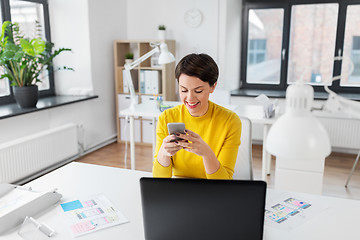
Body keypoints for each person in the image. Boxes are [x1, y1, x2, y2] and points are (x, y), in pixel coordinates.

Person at [153, 53, 241, 179]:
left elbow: (223, 183)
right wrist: (164, 153)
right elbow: (159, 180)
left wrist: (206, 153)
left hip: (211, 191)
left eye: (198, 91)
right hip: (179, 190)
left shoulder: (230, 121)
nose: (190, 98)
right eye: (183, 90)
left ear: (213, 87)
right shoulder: (166, 118)